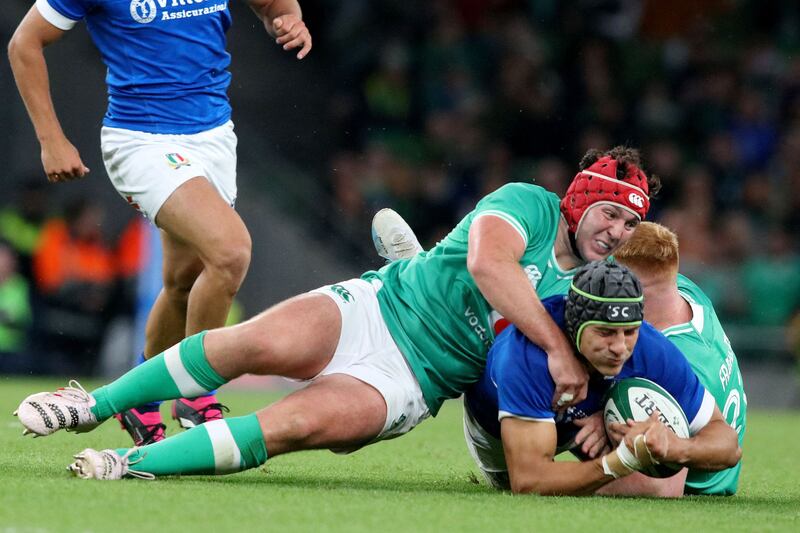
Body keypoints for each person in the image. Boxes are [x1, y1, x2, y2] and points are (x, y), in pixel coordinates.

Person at [14, 147, 656, 479]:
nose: (615, 229)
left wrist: (597, 407)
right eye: (609, 211)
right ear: (580, 201)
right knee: (245, 346)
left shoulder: (601, 292)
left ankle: (129, 466)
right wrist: (557, 347)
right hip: (381, 306)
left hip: (415, 382)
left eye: (631, 222)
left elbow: (610, 354)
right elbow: (492, 267)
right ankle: (90, 406)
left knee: (287, 426)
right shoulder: (530, 204)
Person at [7, 0, 313, 444]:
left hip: (213, 137)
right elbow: (24, 43)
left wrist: (286, 20)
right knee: (230, 253)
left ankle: (140, 401)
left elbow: (273, 5)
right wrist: (51, 139)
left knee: (183, 283)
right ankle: (195, 390)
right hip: (142, 141)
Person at [462, 261, 741, 496]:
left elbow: (728, 446)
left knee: (661, 489)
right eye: (606, 333)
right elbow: (528, 479)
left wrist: (676, 446)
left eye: (629, 331)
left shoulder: (649, 346)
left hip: (585, 418)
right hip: (502, 429)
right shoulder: (524, 356)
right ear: (575, 326)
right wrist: (618, 463)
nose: (620, 347)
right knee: (519, 486)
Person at [610, 222, 747, 496]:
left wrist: (556, 478)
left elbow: (661, 487)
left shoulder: (675, 363)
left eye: (611, 283)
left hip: (694, 487)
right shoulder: (686, 291)